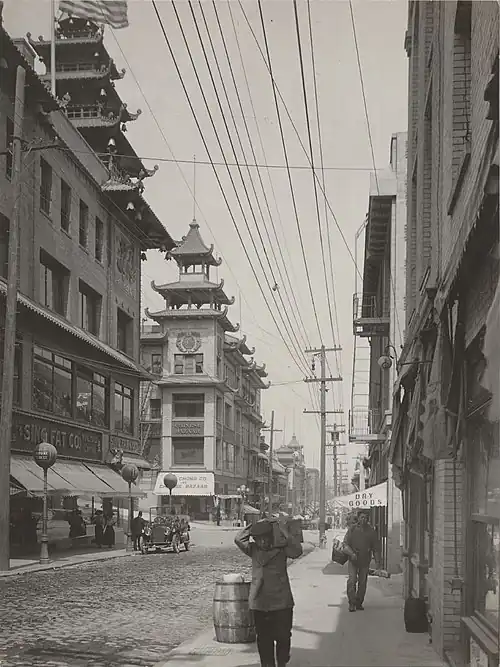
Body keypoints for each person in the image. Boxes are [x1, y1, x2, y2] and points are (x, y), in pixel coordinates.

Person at [235, 518, 302, 667]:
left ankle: (282, 661)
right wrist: (255, 524)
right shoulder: (253, 550)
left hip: (281, 601)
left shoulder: (282, 549)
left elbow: (297, 551)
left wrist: (283, 530)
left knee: (283, 636)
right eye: (258, 539)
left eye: (265, 538)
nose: (262, 542)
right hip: (260, 602)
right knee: (264, 639)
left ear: (271, 536)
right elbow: (238, 539)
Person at [342, 511, 381, 612]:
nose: (363, 519)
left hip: (365, 561)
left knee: (362, 582)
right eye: (362, 517)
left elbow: (375, 548)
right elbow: (345, 544)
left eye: (365, 517)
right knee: (352, 580)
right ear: (358, 518)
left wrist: (378, 563)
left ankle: (359, 602)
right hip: (353, 560)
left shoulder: (371, 531)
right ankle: (352, 602)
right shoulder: (352, 529)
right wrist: (351, 554)